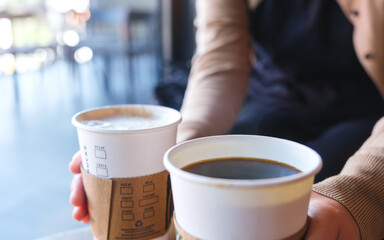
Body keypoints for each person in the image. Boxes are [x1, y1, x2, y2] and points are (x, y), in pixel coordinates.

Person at [70, 0, 384, 239]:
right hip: (271, 97)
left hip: (366, 111)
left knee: (313, 194)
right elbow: (221, 58)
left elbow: (346, 197)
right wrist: (168, 156)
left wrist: (355, 194)